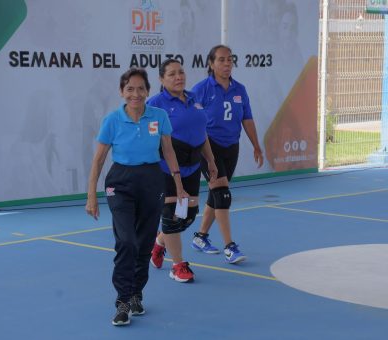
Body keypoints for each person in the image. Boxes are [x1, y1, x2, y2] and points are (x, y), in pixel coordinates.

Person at [85, 67, 188, 326]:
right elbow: (98, 161)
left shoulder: (159, 116)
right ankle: (122, 300)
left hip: (152, 181)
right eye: (129, 88)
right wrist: (91, 196)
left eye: (141, 88)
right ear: (122, 92)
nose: (135, 93)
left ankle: (135, 294)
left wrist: (178, 184)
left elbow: (169, 151)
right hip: (120, 183)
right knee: (127, 241)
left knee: (143, 244)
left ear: (148, 91)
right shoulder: (112, 120)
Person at [191, 45, 264, 264]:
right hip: (208, 146)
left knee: (217, 194)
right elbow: (192, 119)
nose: (227, 64)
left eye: (230, 60)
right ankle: (230, 247)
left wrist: (256, 146)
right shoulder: (202, 89)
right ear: (211, 64)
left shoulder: (239, 89)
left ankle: (200, 237)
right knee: (222, 193)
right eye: (221, 60)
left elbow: (247, 119)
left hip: (231, 146)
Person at [147, 59, 217, 283]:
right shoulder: (156, 104)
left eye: (181, 72)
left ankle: (159, 242)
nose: (179, 77)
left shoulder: (194, 99)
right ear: (161, 79)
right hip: (166, 168)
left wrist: (211, 160)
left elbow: (202, 132)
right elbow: (150, 139)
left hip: (193, 166)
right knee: (170, 215)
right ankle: (177, 265)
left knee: (186, 216)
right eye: (172, 74)